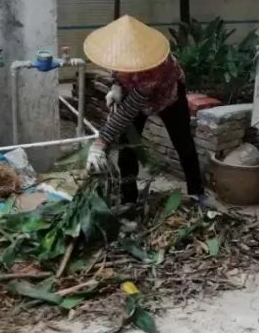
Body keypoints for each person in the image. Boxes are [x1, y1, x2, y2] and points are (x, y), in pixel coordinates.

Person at [83, 15, 205, 203]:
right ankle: (129, 198)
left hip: (168, 96)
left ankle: (197, 192)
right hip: (136, 92)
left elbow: (129, 110)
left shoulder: (154, 68)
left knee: (183, 143)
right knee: (128, 146)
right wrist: (116, 86)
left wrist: (100, 142)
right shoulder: (120, 52)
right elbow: (118, 69)